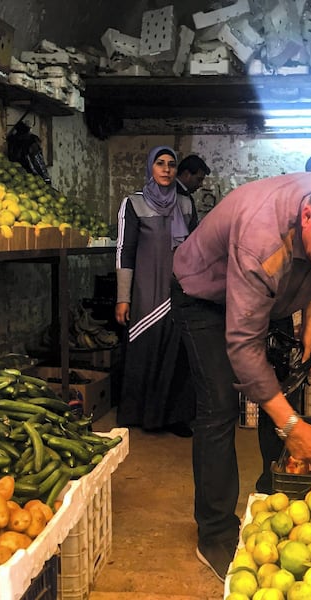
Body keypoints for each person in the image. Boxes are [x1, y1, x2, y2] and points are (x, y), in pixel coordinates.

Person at [171, 174, 311, 581]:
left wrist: (310, 325)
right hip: (206, 298)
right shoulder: (261, 241)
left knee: (283, 388)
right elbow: (243, 346)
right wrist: (290, 424)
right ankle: (214, 534)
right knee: (219, 407)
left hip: (274, 292)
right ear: (307, 216)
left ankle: (275, 492)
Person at [115, 146, 197, 437]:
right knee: (145, 349)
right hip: (145, 291)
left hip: (178, 290)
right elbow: (125, 250)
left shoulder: (185, 203)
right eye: (160, 163)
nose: (166, 169)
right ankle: (139, 414)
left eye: (171, 164)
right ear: (150, 167)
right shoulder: (133, 204)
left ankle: (175, 417)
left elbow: (196, 248)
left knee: (177, 354)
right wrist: (123, 297)